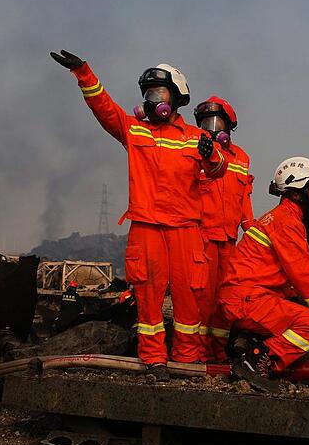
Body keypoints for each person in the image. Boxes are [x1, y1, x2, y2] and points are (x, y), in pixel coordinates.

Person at [51, 50, 227, 378]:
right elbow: (105, 110)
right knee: (148, 301)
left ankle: (186, 362)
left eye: (158, 93)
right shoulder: (135, 131)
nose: (151, 100)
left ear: (175, 98)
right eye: (148, 94)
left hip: (186, 230)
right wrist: (84, 73)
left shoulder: (196, 138)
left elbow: (218, 170)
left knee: (190, 302)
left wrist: (212, 154)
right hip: (147, 228)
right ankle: (154, 360)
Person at [218, 157, 309, 392]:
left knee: (296, 308)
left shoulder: (281, 217)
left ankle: (251, 347)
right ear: (298, 192)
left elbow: (281, 274)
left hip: (245, 295)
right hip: (247, 299)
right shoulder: (286, 221)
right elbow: (302, 271)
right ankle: (255, 363)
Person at [193, 96, 253, 362]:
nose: (213, 129)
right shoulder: (195, 153)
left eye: (218, 123)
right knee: (201, 299)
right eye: (207, 123)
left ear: (230, 127)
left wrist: (253, 237)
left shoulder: (241, 158)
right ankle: (199, 353)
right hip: (202, 237)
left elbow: (245, 201)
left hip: (230, 242)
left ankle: (219, 352)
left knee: (226, 299)